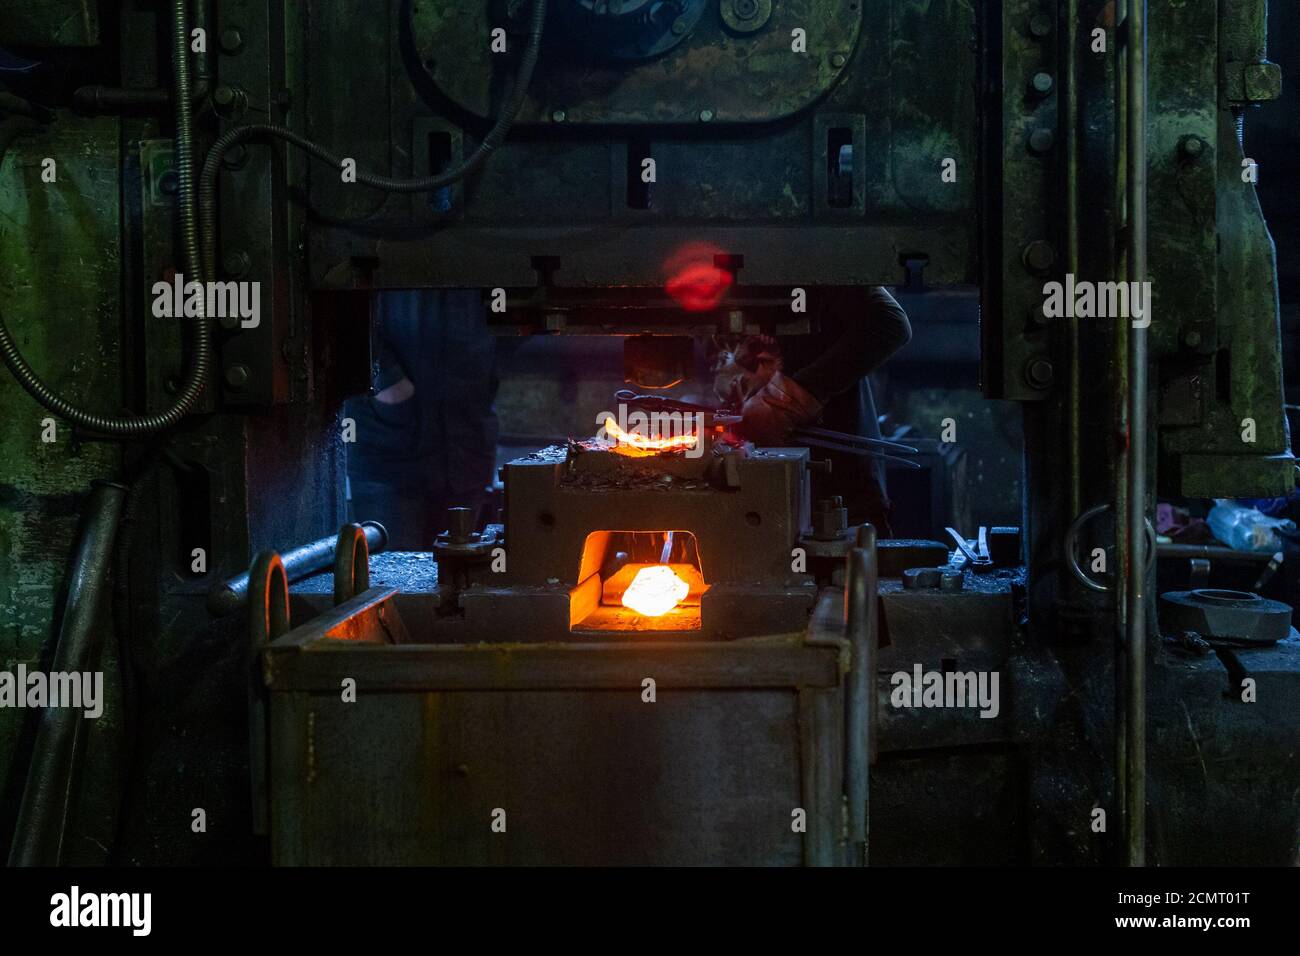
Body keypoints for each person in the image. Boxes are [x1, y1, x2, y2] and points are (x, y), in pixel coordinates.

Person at [714, 286, 911, 534]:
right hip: (760, 508)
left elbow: (891, 323)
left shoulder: (817, 263)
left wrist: (791, 398)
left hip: (844, 506)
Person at [344, 289, 499, 549]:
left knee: (456, 573)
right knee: (393, 578)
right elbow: (341, 311)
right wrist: (385, 379)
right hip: (387, 450)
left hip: (467, 444)